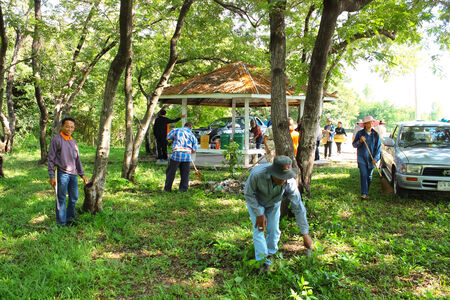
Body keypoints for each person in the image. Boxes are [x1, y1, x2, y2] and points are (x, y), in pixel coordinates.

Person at [244, 156, 313, 274]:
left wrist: (305, 233)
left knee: (274, 230)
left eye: (285, 177)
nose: (283, 181)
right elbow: (249, 194)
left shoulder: (289, 182)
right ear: (272, 173)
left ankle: (269, 254)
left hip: (274, 203)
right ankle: (262, 262)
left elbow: (298, 207)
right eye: (280, 177)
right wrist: (259, 214)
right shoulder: (257, 174)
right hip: (256, 202)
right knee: (259, 229)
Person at [48, 117, 88, 226]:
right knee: (61, 198)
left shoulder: (73, 141)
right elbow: (51, 159)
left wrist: (82, 174)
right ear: (62, 127)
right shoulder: (56, 140)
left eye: (72, 127)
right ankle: (61, 223)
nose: (69, 129)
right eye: (67, 126)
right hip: (62, 174)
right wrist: (51, 175)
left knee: (74, 197)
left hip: (73, 174)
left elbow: (77, 159)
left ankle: (70, 219)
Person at [352, 116, 381, 200]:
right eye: (369, 122)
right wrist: (360, 141)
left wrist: (375, 158)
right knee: (364, 174)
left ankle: (366, 191)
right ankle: (364, 193)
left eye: (372, 122)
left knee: (369, 177)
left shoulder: (375, 135)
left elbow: (378, 148)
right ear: (365, 124)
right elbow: (354, 145)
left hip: (371, 159)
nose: (371, 124)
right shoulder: (360, 134)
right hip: (362, 158)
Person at [164, 122, 198, 192]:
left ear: (184, 126)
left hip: (176, 155)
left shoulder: (176, 130)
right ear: (191, 128)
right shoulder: (192, 135)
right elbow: (194, 150)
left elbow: (168, 137)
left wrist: (174, 139)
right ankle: (183, 189)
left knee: (171, 172)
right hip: (187, 156)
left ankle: (167, 189)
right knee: (185, 174)